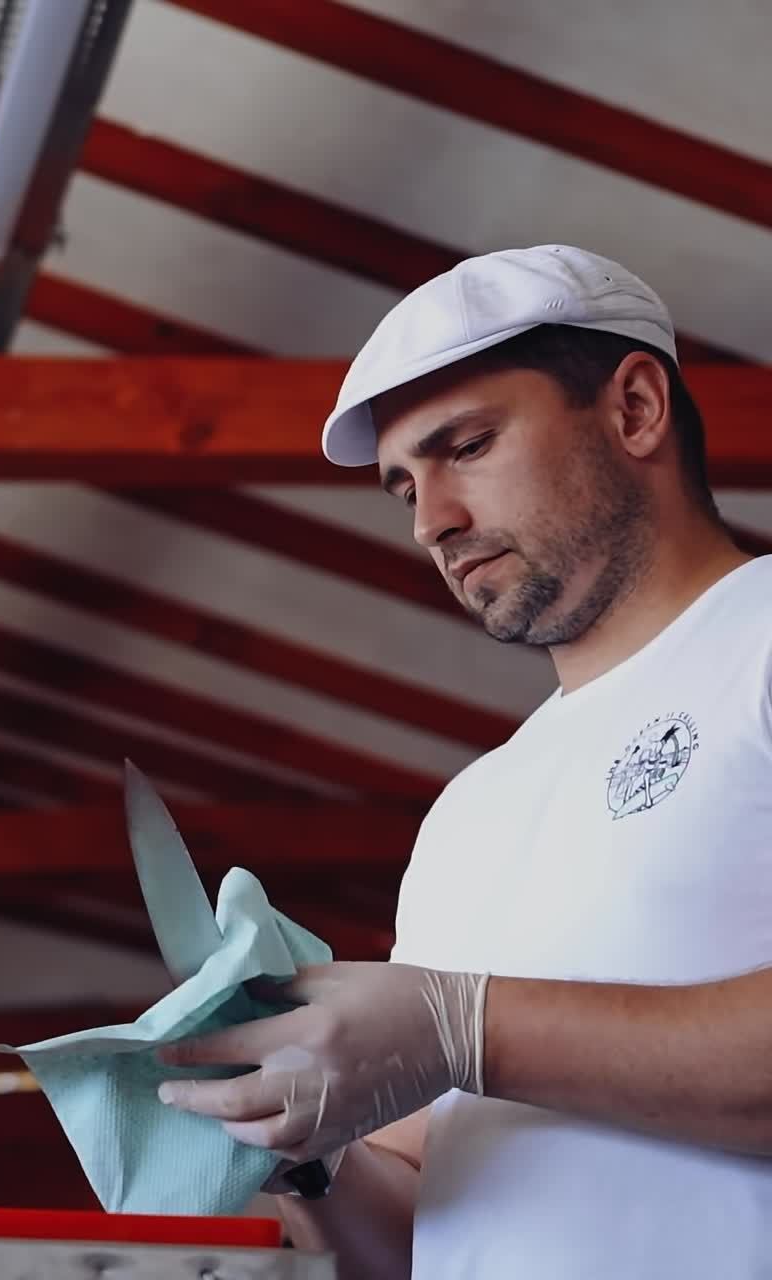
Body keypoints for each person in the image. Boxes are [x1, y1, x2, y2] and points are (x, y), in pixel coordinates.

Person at [155, 245, 772, 1278]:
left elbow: (460, 1035)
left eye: (467, 445)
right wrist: (301, 1146)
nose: (428, 522)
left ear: (632, 408)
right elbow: (412, 1224)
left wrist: (463, 1025)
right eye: (402, 483)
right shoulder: (467, 811)